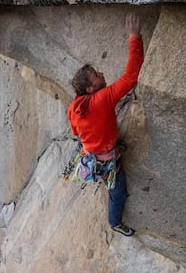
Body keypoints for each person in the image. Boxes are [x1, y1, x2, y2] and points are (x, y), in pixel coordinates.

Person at [67, 13, 143, 236]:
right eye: (96, 76)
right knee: (118, 190)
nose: (101, 74)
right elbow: (131, 77)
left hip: (87, 147)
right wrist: (134, 37)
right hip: (103, 156)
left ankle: (102, 152)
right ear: (90, 88)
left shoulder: (74, 106)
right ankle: (115, 223)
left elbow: (75, 131)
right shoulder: (103, 99)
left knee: (87, 139)